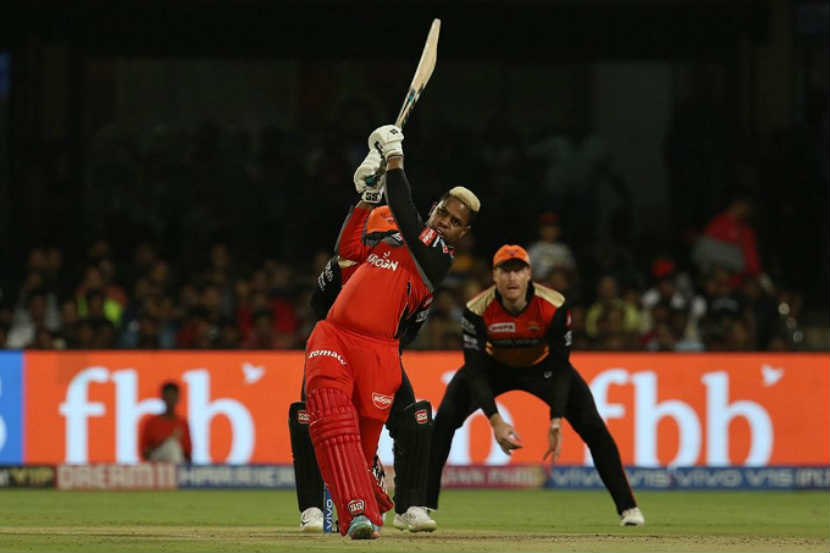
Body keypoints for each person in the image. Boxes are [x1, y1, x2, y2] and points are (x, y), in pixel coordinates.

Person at [302, 124, 480, 539]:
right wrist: (365, 199)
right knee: (331, 421)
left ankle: (369, 503)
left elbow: (403, 207)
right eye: (443, 213)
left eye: (455, 222)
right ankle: (356, 514)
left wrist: (395, 158)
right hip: (335, 335)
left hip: (381, 353)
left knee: (360, 446)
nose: (446, 223)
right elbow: (348, 253)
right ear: (434, 208)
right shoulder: (394, 234)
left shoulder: (437, 256)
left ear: (462, 234)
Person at [425, 244, 644, 527]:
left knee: (592, 425)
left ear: (529, 274)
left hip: (544, 368)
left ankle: (628, 508)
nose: (512, 278)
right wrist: (495, 420)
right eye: (505, 271)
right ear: (494, 275)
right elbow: (475, 371)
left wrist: (556, 418)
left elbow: (562, 365)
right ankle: (422, 505)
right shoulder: (476, 310)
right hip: (492, 368)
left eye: (518, 270)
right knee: (444, 420)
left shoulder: (553, 305)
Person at [289, 203, 437, 534]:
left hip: (381, 355)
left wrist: (383, 350)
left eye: (389, 238)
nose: (381, 246)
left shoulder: (415, 276)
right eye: (376, 238)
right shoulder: (343, 264)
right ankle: (313, 509)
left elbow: (411, 327)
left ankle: (409, 507)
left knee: (414, 419)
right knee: (309, 418)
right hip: (336, 349)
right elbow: (318, 304)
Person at [139, 381, 192, 463]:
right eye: (168, 395)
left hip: (178, 460)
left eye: (173, 395)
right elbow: (145, 453)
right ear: (162, 397)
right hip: (156, 462)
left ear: (178, 398)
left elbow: (188, 454)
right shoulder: (151, 422)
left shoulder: (182, 423)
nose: (170, 399)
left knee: (174, 447)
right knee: (171, 446)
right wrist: (166, 441)